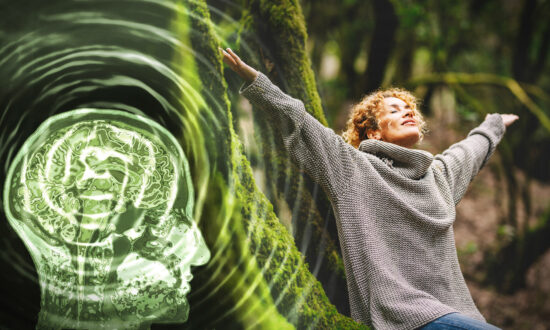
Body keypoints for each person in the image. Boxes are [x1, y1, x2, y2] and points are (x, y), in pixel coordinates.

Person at [221, 48, 518, 330]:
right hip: (400, 318)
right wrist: (255, 80)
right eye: (396, 109)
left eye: (410, 109)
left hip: (458, 314)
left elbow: (469, 151)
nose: (408, 112)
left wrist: (494, 125)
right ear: (374, 130)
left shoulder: (438, 177)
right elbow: (300, 122)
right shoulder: (352, 168)